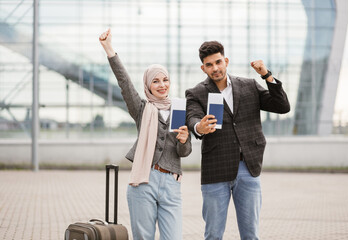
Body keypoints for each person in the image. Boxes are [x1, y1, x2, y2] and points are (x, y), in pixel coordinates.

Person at [185, 41, 290, 240]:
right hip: (216, 169)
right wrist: (200, 126)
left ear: (226, 61)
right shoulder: (196, 92)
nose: (215, 68)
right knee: (213, 235)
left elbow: (282, 106)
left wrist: (266, 75)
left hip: (248, 167)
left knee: (250, 235)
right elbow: (192, 118)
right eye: (209, 65)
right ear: (203, 68)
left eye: (218, 62)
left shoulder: (249, 85)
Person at [99, 29, 192, 240]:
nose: (162, 85)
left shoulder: (179, 108)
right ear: (148, 85)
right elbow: (125, 84)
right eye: (156, 81)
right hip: (144, 181)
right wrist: (109, 50)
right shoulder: (142, 109)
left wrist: (184, 140)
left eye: (165, 80)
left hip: (171, 182)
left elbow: (184, 152)